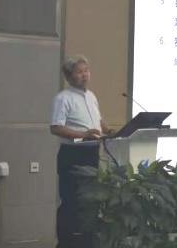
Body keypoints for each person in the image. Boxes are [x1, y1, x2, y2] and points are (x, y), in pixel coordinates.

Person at [50, 55, 113, 248]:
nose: (85, 75)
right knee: (71, 201)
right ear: (69, 76)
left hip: (92, 153)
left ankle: (85, 241)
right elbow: (56, 128)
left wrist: (109, 131)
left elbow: (98, 121)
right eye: (79, 72)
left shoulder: (91, 96)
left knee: (89, 201)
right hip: (73, 154)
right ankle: (66, 243)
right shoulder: (63, 98)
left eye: (86, 70)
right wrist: (83, 135)